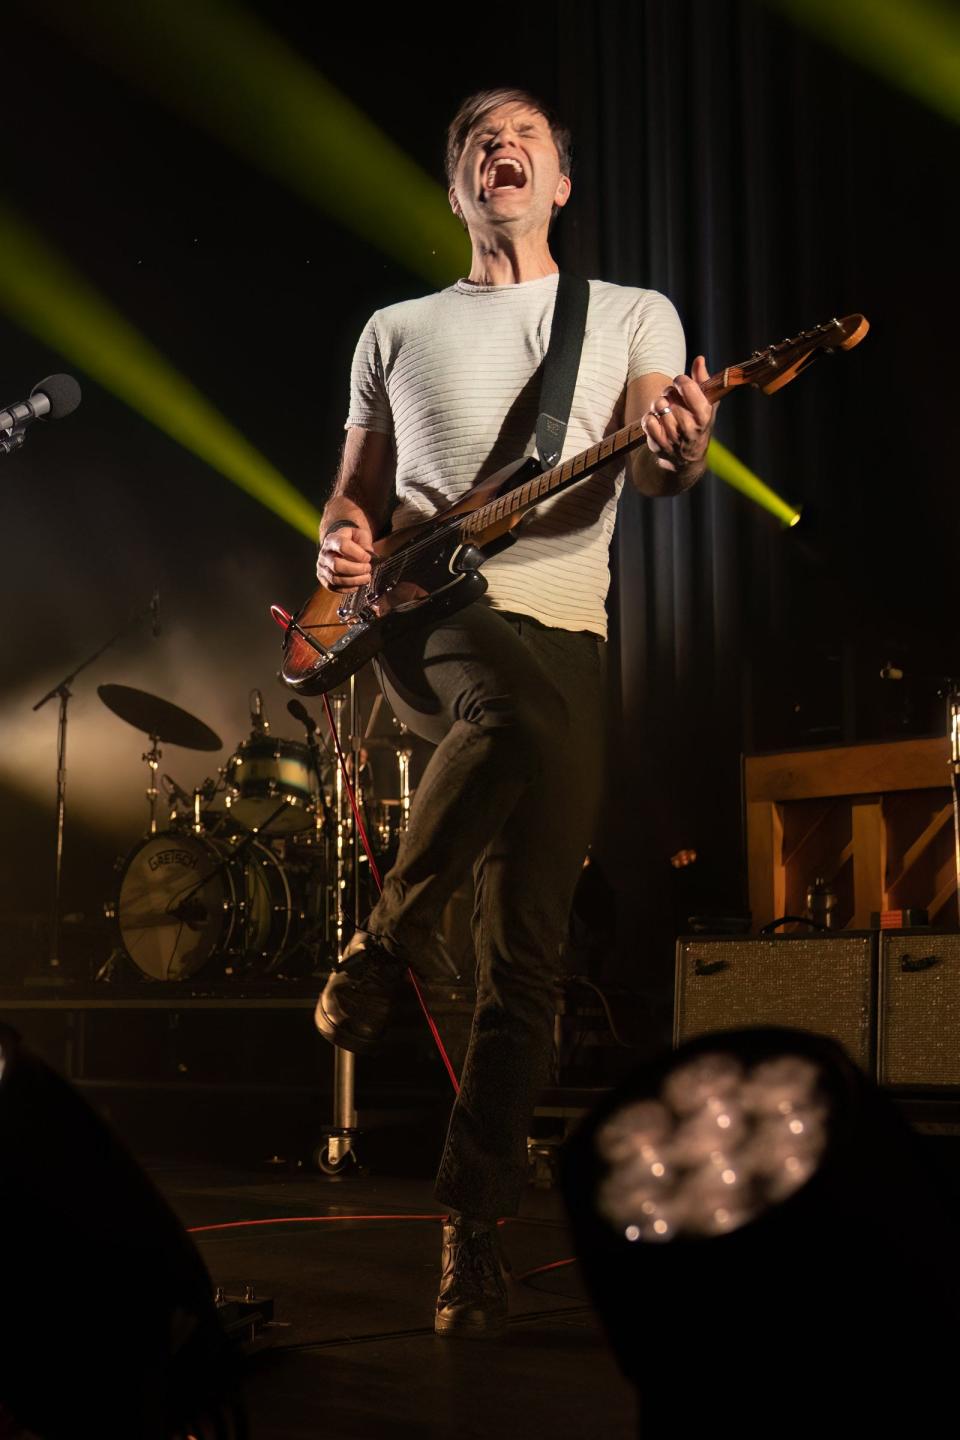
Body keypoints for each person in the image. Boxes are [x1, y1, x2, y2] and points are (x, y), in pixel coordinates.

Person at [312, 87, 716, 1337]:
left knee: (527, 957)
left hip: (571, 633)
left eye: (526, 137)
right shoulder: (396, 326)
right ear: (455, 189)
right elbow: (352, 499)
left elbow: (652, 467)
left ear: (559, 185)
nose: (503, 146)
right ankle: (386, 941)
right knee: (507, 718)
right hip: (431, 621)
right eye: (479, 138)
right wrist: (337, 537)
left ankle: (470, 1228)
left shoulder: (634, 313)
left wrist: (685, 445)